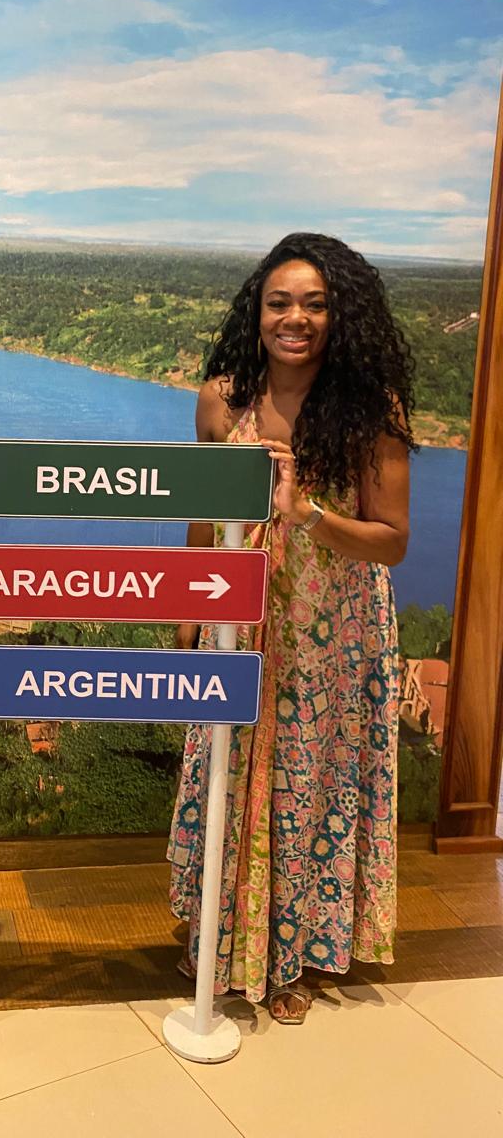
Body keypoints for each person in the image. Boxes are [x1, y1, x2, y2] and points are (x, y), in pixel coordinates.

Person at [168, 232, 414, 1025]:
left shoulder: (372, 411)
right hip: (237, 620)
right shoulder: (221, 399)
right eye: (280, 302)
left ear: (340, 314)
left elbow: (394, 539)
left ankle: (297, 950)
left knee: (312, 783)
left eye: (314, 303)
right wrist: (188, 607)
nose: (296, 318)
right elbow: (201, 514)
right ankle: (219, 929)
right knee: (227, 765)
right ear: (258, 309)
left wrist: (307, 513)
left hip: (332, 632)